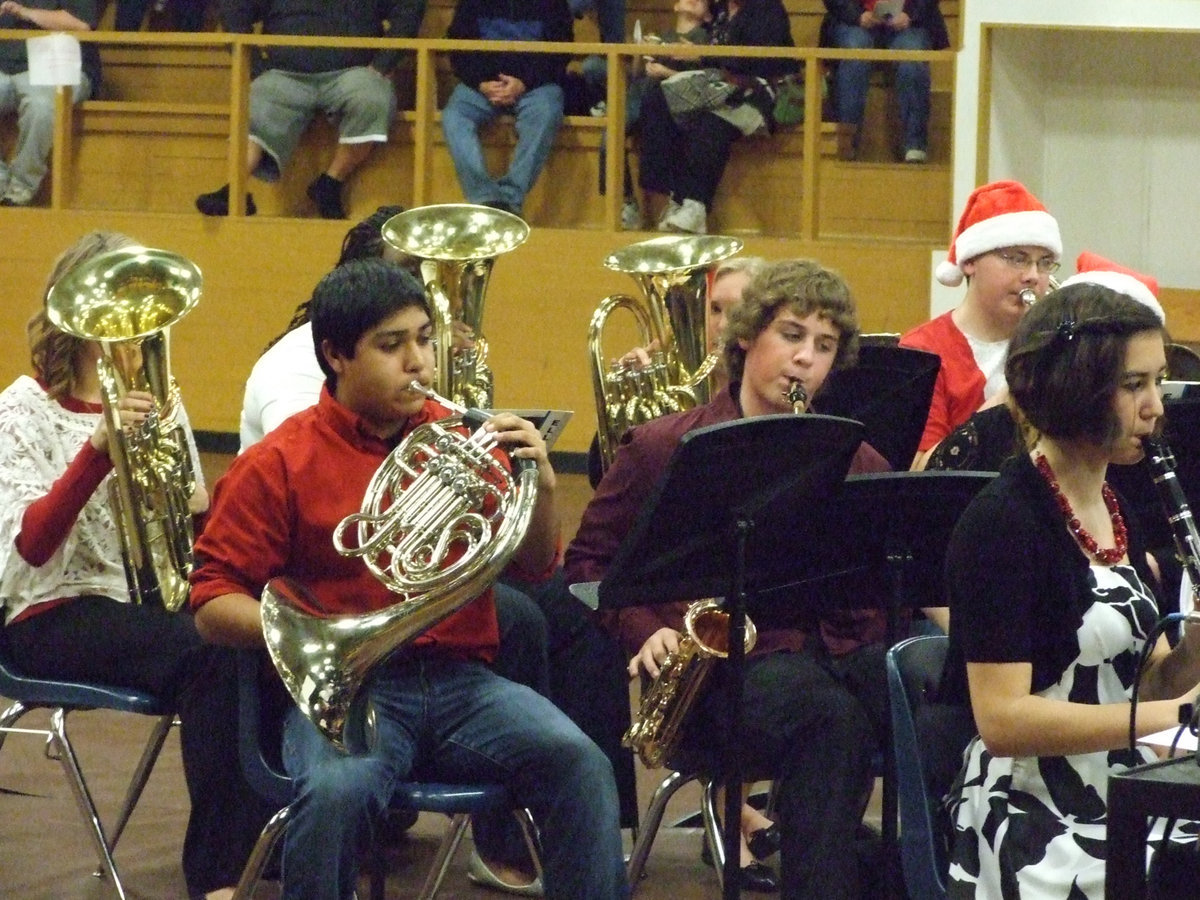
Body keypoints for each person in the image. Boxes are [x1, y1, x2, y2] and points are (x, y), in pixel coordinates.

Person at [190, 258, 628, 900]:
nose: (419, 362)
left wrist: (541, 490)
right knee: (338, 792)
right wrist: (315, 637)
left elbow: (534, 568)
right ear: (336, 355)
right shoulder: (278, 462)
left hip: (463, 684)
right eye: (392, 346)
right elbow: (211, 603)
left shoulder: (462, 441)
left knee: (582, 764)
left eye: (424, 338)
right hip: (352, 692)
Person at [567, 259, 893, 898]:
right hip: (712, 681)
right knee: (832, 723)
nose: (805, 360)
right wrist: (642, 630)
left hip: (831, 659)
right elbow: (586, 563)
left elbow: (886, 564)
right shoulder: (665, 446)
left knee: (929, 708)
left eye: (823, 347)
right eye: (792, 336)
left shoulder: (855, 457)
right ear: (747, 336)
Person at [0, 230, 275, 900]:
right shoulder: (21, 408)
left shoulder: (161, 401)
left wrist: (206, 507)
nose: (136, 322)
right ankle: (217, 877)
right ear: (75, 315)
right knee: (209, 652)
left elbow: (188, 528)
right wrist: (99, 448)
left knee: (263, 627)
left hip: (144, 600)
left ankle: (276, 843)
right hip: (51, 610)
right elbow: (31, 546)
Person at [939, 282, 1200, 898]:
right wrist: (1179, 718)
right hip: (1036, 810)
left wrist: (1193, 646)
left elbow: (1146, 679)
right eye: (1134, 385)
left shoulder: (1118, 507)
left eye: (1157, 381)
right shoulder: (1002, 519)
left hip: (1129, 781)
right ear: (1077, 389)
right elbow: (1002, 720)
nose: (1156, 406)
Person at [195, 0, 420, 220]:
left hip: (355, 71)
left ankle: (331, 182)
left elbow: (409, 7)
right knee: (256, 100)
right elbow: (234, 8)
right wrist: (256, 66)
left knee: (374, 98)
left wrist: (384, 62)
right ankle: (234, 189)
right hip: (283, 73)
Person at [900, 179, 1062, 469]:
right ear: (970, 261)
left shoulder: (1056, 342)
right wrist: (1016, 388)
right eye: (1017, 259)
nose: (1033, 276)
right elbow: (921, 469)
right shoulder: (924, 350)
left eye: (1045, 262)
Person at [631, 0, 798, 235]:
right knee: (658, 96)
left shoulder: (768, 8)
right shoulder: (719, 12)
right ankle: (670, 193)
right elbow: (711, 56)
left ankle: (695, 206)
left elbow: (760, 60)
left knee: (710, 120)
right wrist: (681, 52)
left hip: (757, 89)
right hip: (717, 84)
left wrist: (700, 55)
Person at [441, 0, 573, 217]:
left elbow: (561, 53)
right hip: (482, 87)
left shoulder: (554, 4)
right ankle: (485, 199)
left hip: (534, 87)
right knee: (454, 115)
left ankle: (510, 201)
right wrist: (481, 83)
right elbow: (458, 50)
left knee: (547, 110)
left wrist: (524, 83)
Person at [614, 0, 712, 230]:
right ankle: (626, 201)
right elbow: (637, 74)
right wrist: (641, 53)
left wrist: (665, 71)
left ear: (708, 15)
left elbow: (702, 78)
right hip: (641, 96)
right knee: (610, 136)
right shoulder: (664, 35)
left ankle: (668, 203)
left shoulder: (704, 39)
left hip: (671, 104)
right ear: (675, 7)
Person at [820, 0, 949, 163]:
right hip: (854, 19)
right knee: (855, 52)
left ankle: (915, 146)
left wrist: (911, 14)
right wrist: (856, 15)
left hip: (911, 21)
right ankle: (846, 145)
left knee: (912, 56)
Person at [0, 0, 99, 207]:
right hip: (4, 67)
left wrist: (25, 13)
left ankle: (21, 186)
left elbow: (81, 23)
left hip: (55, 65)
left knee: (41, 106)